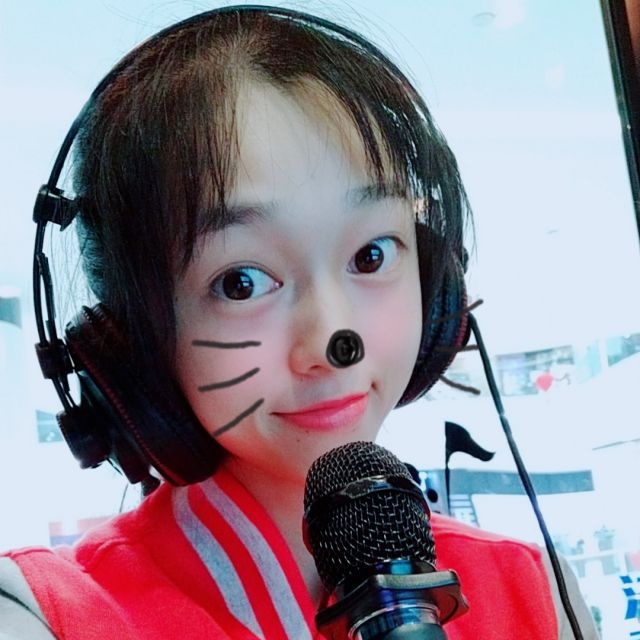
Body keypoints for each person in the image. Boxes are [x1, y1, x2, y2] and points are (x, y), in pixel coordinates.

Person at [0, 6, 598, 639]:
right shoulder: (47, 616)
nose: (332, 342)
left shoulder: (534, 592)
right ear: (133, 341)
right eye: (241, 282)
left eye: (372, 255)